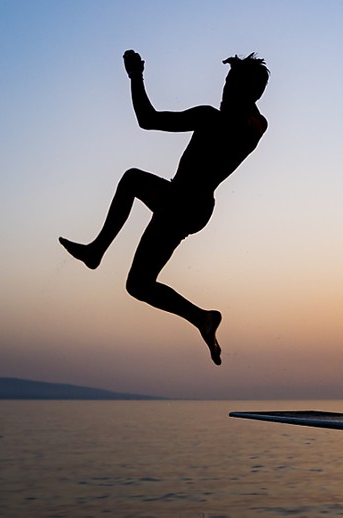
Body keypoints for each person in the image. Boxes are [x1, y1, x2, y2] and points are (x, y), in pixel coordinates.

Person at [59, 50, 269, 365]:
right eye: (225, 83)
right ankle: (202, 318)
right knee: (139, 284)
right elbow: (248, 103)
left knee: (131, 179)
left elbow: (148, 120)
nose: (223, 91)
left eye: (230, 86)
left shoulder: (209, 118)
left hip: (180, 200)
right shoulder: (257, 125)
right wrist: (245, 80)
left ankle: (96, 251)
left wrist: (135, 77)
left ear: (243, 92)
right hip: (198, 209)